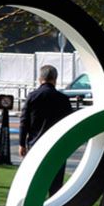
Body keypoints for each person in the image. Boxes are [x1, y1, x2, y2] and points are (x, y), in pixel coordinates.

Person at [18, 64, 74, 198]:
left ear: (40, 79)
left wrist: (22, 143)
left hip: (35, 144)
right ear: (55, 79)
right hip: (58, 146)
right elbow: (70, 122)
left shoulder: (33, 97)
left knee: (35, 183)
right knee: (55, 185)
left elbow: (24, 121)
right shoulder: (63, 99)